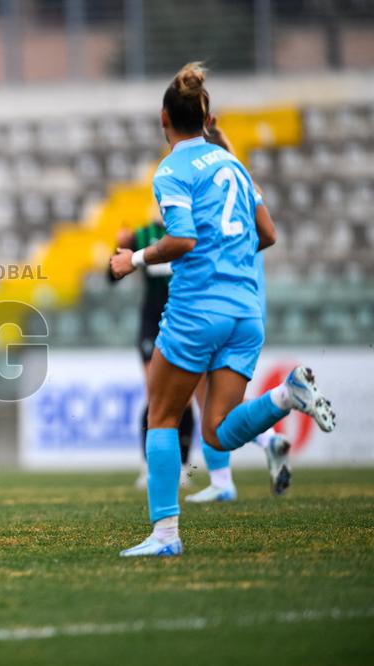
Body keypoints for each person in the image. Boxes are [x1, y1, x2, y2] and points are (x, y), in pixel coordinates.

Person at [109, 63, 335, 557]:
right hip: (245, 311)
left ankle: (165, 536)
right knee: (217, 428)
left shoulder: (171, 170)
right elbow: (269, 235)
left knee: (163, 417)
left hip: (197, 308)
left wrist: (135, 259)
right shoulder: (234, 164)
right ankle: (284, 397)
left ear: (165, 118)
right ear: (206, 116)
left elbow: (183, 238)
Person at [185, 119, 292, 503]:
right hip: (249, 303)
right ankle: (265, 439)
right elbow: (269, 235)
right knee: (220, 401)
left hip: (215, 300)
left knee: (204, 397)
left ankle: (222, 478)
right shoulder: (246, 184)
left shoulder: (204, 191)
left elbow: (188, 243)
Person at [110, 222, 195, 490]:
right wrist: (118, 246)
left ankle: (182, 467)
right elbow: (112, 274)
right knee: (155, 393)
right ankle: (147, 465)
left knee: (185, 398)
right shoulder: (143, 235)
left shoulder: (191, 231)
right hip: (152, 323)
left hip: (185, 320)